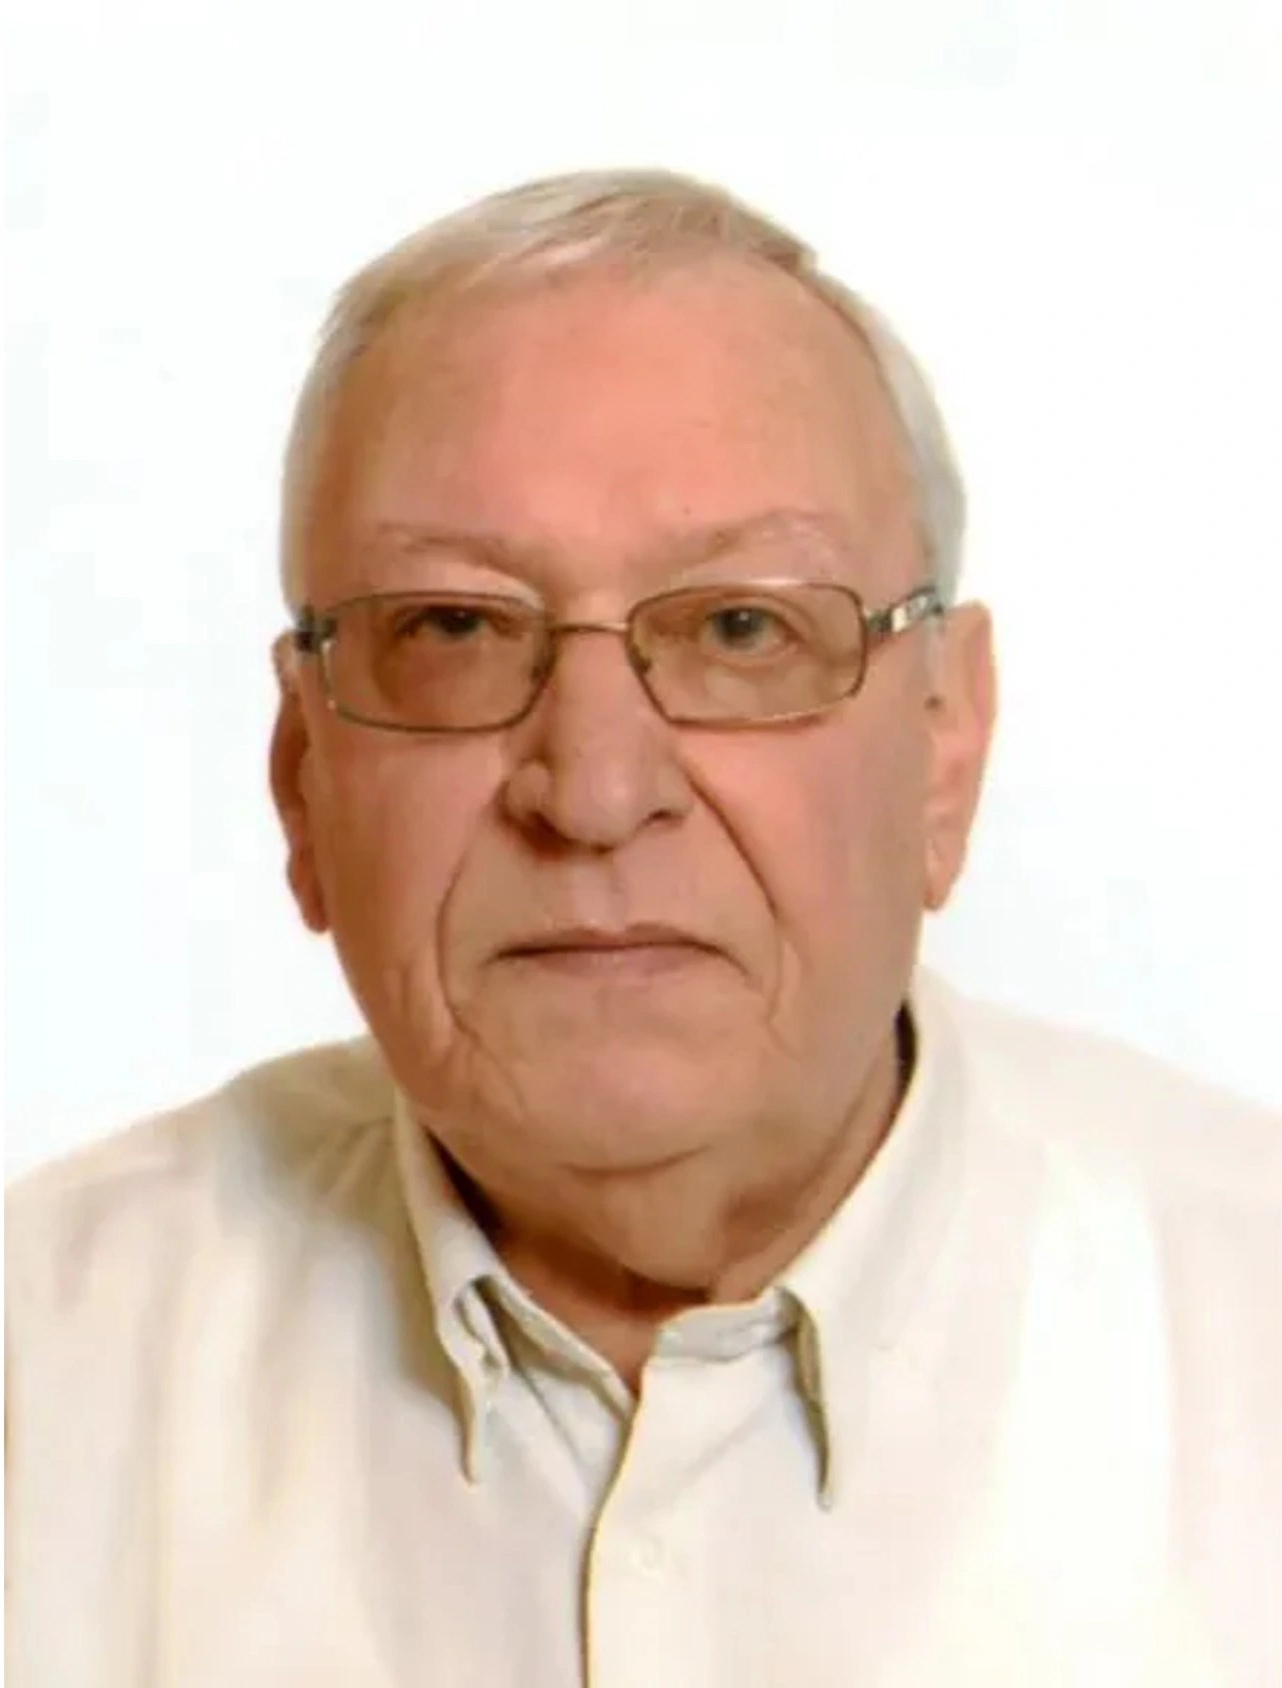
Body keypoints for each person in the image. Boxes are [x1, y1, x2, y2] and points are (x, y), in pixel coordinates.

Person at [6, 169, 1278, 1686]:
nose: (597, 792)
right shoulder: (41, 1385)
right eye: (455, 630)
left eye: (742, 628)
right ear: (301, 779)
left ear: (945, 746)